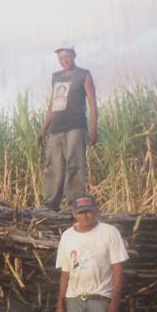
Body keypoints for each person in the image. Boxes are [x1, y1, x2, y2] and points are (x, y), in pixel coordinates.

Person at [38, 44, 98, 211]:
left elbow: (92, 102)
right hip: (55, 128)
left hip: (75, 126)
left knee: (75, 165)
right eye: (61, 58)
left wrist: (94, 128)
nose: (64, 61)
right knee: (53, 167)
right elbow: (53, 103)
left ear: (74, 56)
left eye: (67, 57)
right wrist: (43, 128)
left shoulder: (83, 75)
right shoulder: (56, 77)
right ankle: (50, 205)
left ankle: (76, 204)